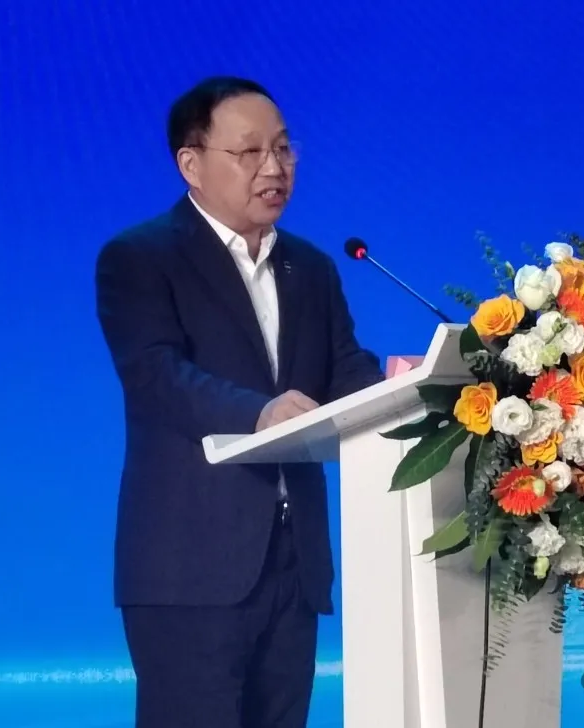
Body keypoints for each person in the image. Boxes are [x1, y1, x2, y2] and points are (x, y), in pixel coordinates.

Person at [94, 76, 384, 728]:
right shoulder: (140, 258)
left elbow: (343, 370)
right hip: (188, 565)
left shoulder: (311, 267)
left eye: (283, 148)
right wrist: (258, 413)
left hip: (293, 562)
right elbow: (156, 375)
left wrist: (408, 386)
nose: (274, 167)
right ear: (191, 164)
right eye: (249, 152)